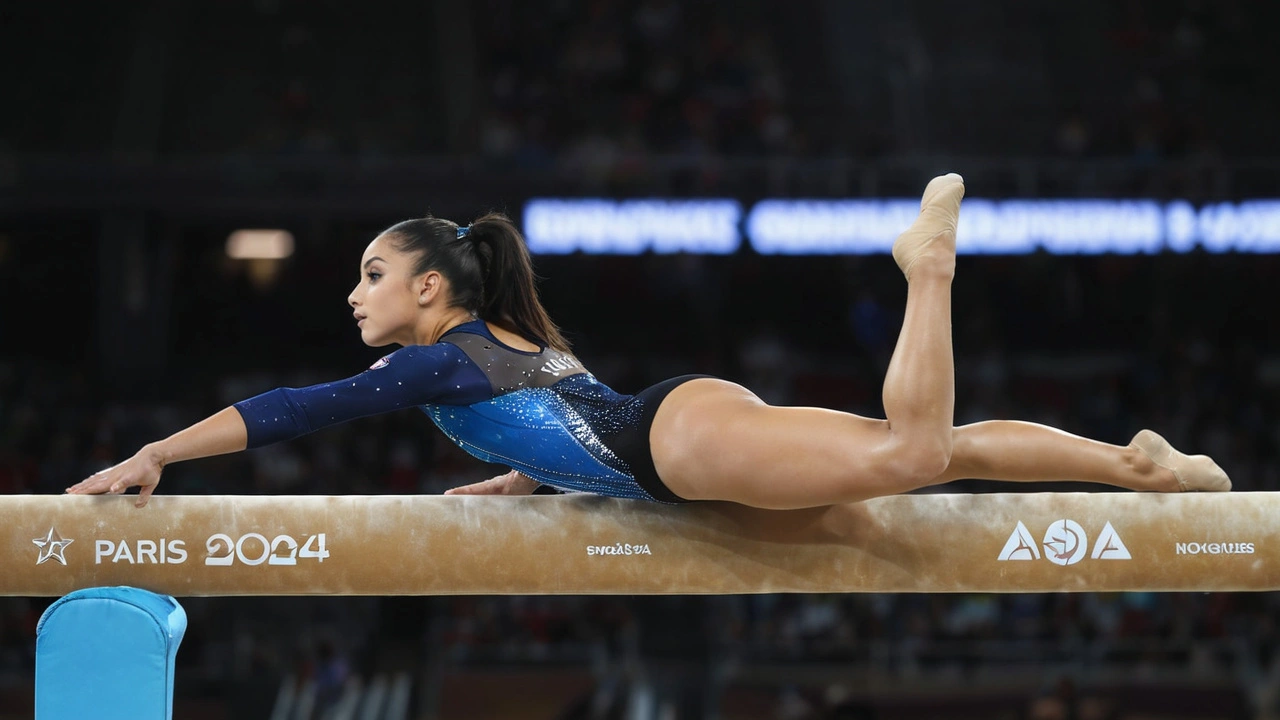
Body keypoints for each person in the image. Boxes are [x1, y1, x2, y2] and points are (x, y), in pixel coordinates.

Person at [66, 174, 1230, 510]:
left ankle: (925, 273)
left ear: (430, 287)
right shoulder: (487, 345)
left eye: (373, 276)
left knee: (909, 457)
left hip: (670, 450)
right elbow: (563, 412)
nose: (356, 295)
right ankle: (1136, 464)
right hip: (668, 429)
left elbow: (291, 409)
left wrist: (159, 450)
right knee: (935, 449)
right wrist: (532, 473)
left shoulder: (435, 358)